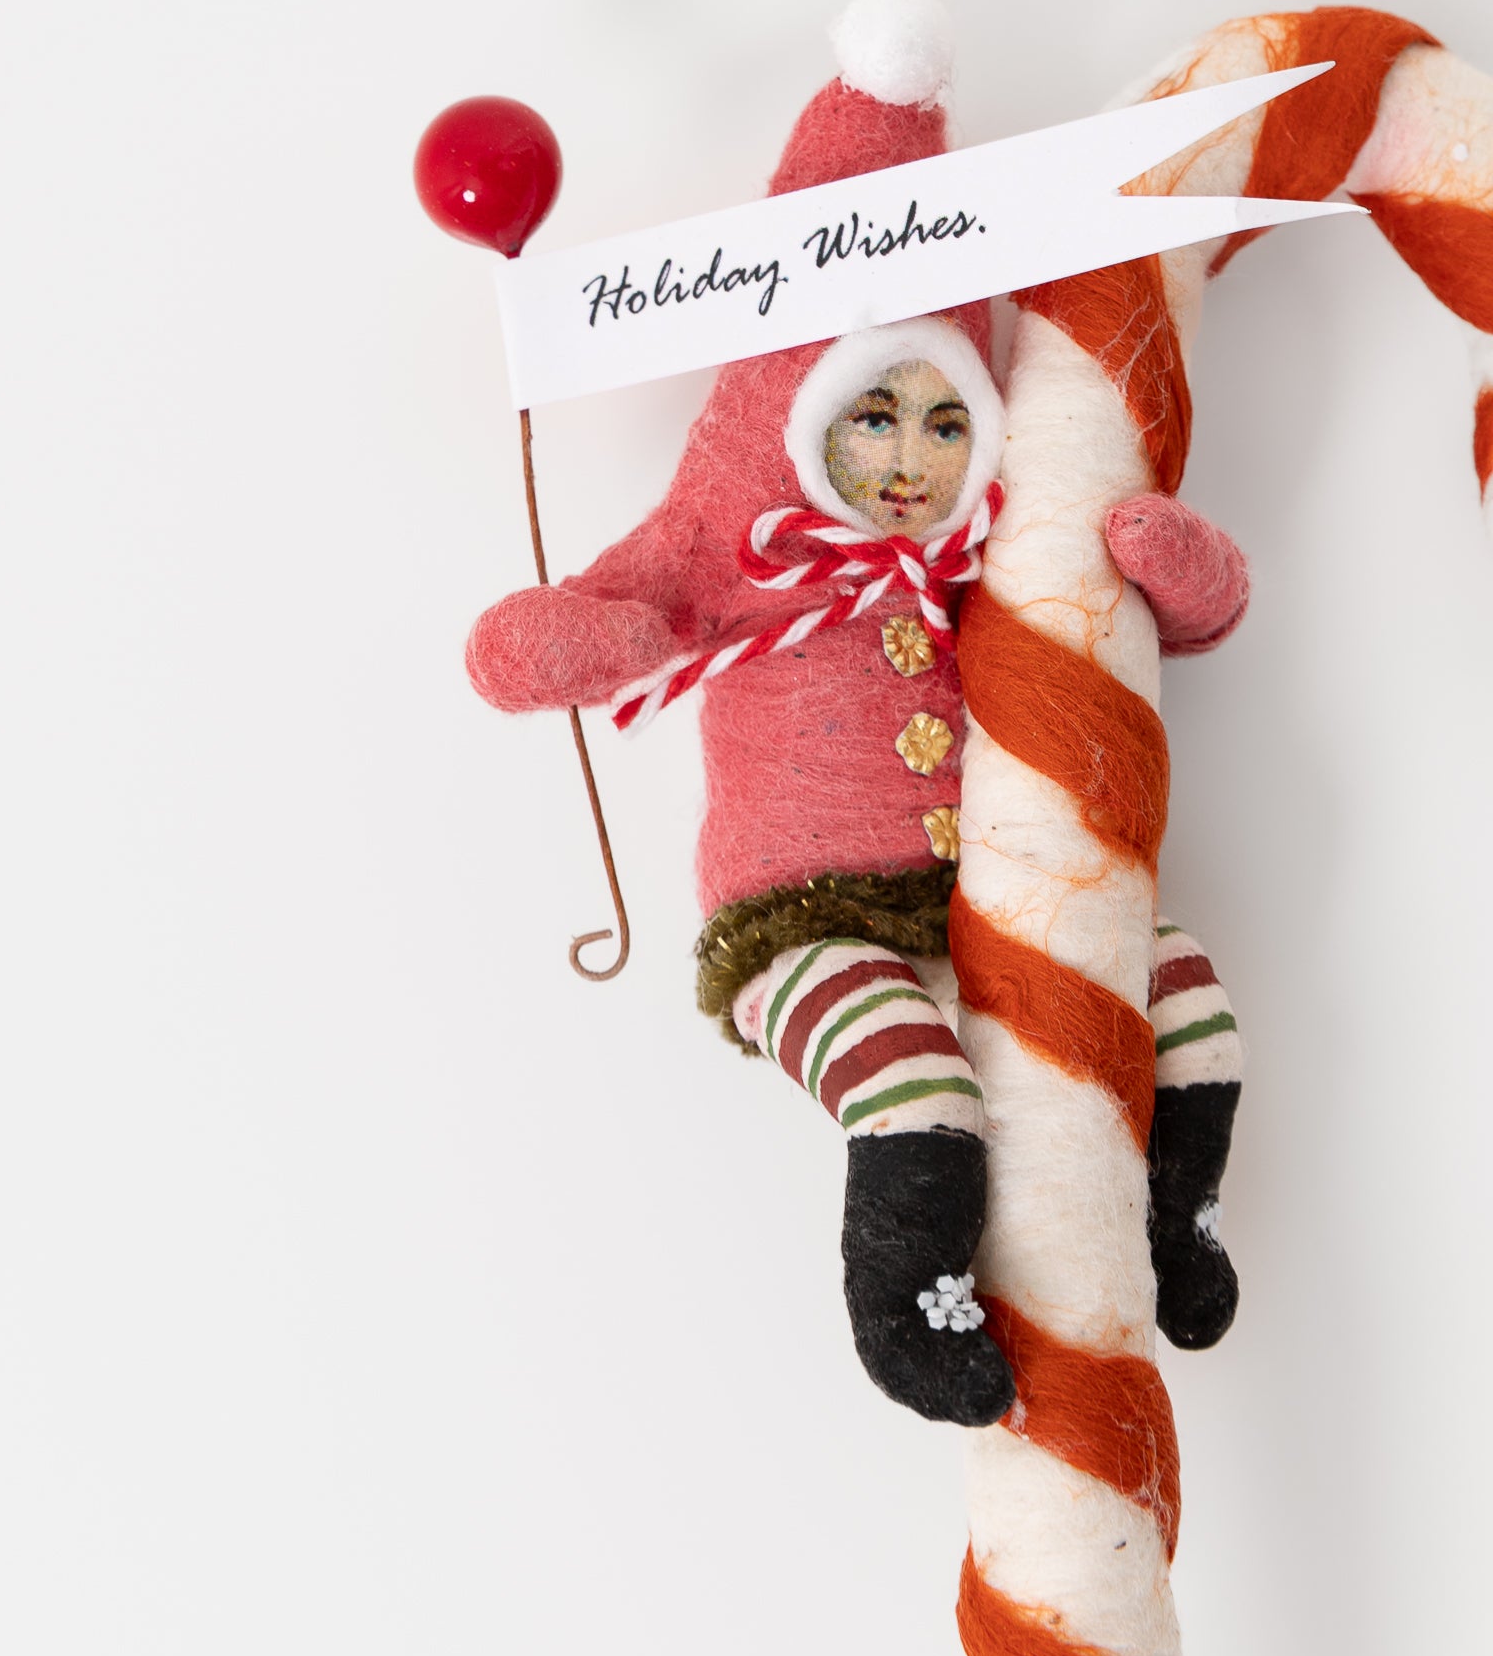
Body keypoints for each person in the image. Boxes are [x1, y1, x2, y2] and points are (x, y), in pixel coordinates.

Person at [467, 309, 1246, 1423]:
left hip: (988, 899)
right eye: (873, 418)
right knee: (912, 1080)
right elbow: (532, 647)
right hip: (799, 926)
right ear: (801, 421)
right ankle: (906, 1299)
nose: (909, 461)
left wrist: (1170, 563)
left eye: (945, 425)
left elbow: (1196, 617)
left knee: (1186, 995)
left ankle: (1181, 1216)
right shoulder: (745, 548)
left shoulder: (993, 546)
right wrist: (581, 641)